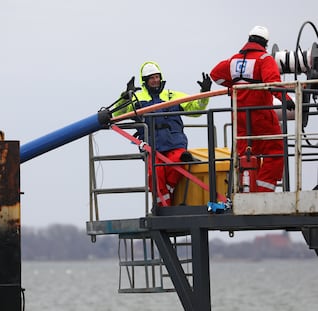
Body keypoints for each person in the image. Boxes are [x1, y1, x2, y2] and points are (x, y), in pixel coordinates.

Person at [112, 61, 212, 206]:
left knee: (179, 161)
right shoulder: (137, 99)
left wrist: (204, 93)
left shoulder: (172, 95)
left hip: (175, 143)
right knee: (155, 175)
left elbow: (195, 108)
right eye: (151, 78)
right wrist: (125, 97)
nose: (155, 80)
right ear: (145, 81)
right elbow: (116, 114)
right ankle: (162, 208)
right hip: (152, 147)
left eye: (157, 77)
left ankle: (167, 200)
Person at [210, 25, 295, 192]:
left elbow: (215, 75)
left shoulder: (233, 60)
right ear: (265, 43)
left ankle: (247, 191)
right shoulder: (264, 59)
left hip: (240, 117)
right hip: (261, 115)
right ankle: (264, 192)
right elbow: (273, 83)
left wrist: (233, 86)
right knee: (275, 152)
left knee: (246, 155)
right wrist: (286, 99)